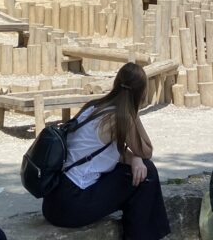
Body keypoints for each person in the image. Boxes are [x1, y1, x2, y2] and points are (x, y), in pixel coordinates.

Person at [42, 62, 171, 240]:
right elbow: (146, 150)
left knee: (138, 170)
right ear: (141, 93)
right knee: (147, 174)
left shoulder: (94, 106)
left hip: (53, 201)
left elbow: (107, 152)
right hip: (72, 203)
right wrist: (134, 113)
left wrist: (134, 158)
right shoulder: (119, 118)